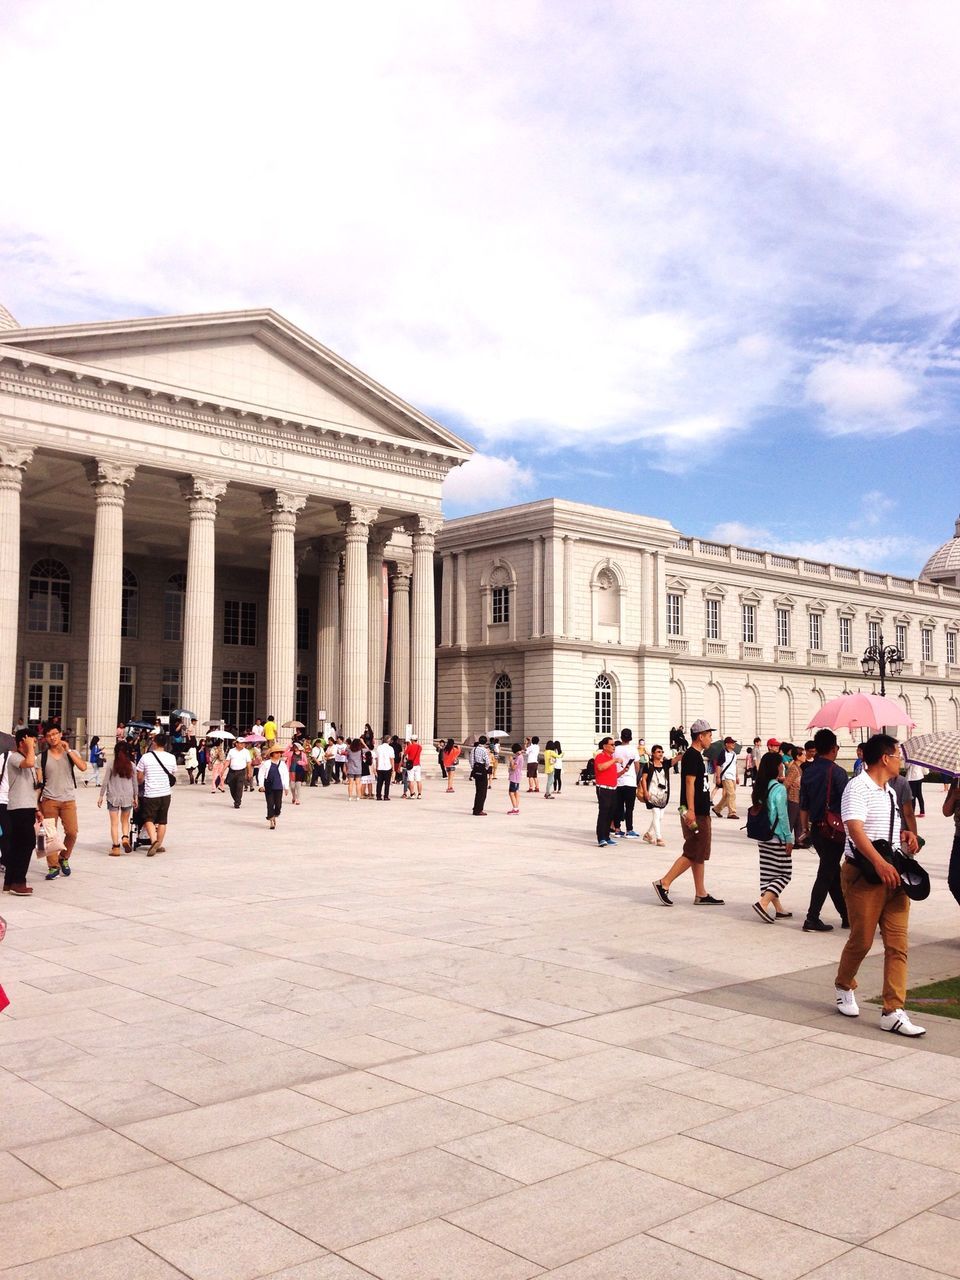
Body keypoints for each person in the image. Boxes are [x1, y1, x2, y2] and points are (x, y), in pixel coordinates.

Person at [835, 733, 925, 1036]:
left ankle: (893, 1010)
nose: (900, 759)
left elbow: (885, 828)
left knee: (898, 944)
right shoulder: (857, 787)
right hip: (865, 874)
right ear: (885, 758)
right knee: (861, 940)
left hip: (892, 873)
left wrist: (905, 836)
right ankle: (844, 984)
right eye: (897, 754)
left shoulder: (889, 791)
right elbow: (856, 831)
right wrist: (879, 862)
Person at [652, 719, 724, 907]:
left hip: (700, 810)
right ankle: (664, 883)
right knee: (693, 851)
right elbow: (690, 783)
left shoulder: (696, 755)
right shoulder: (692, 756)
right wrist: (691, 810)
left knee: (698, 852)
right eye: (709, 735)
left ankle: (700, 893)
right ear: (700, 736)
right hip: (696, 812)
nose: (711, 738)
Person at [798, 728, 849, 932]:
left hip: (817, 830)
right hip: (834, 831)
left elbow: (804, 805)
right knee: (826, 873)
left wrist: (805, 828)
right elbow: (848, 803)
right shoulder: (837, 772)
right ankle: (812, 917)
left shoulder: (808, 771)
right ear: (833, 748)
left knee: (832, 871)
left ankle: (846, 915)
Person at [38, 720, 87, 881]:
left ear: (60, 734)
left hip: (68, 800)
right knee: (49, 835)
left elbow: (83, 767)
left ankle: (64, 857)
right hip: (49, 799)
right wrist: (36, 804)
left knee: (72, 832)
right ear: (45, 738)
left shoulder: (70, 754)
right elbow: (38, 782)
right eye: (48, 735)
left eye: (54, 734)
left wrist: (69, 750)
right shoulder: (42, 758)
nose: (52, 738)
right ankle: (53, 867)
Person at [750, 751, 794, 923]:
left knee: (769, 874)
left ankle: (779, 909)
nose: (783, 766)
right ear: (776, 767)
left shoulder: (760, 786)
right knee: (784, 874)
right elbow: (783, 817)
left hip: (763, 837)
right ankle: (763, 903)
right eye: (781, 763)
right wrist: (789, 839)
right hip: (777, 838)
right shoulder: (779, 789)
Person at [3, 727, 39, 895]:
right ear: (21, 742)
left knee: (17, 845)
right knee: (27, 843)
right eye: (32, 741)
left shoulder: (27, 757)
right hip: (19, 808)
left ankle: (10, 881)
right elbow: (30, 763)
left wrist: (36, 808)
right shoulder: (15, 757)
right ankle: (19, 881)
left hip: (27, 806)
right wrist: (29, 747)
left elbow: (32, 785)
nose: (34, 744)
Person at [137, 731, 177, 857]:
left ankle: (154, 841)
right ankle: (158, 843)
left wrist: (142, 781)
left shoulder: (146, 757)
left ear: (154, 743)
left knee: (148, 818)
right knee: (162, 820)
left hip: (151, 792)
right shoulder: (171, 757)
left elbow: (139, 777)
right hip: (165, 793)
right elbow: (173, 773)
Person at [98, 741, 138, 854]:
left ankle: (115, 847)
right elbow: (135, 783)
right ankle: (125, 837)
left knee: (114, 823)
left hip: (113, 796)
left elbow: (105, 781)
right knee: (125, 821)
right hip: (128, 796)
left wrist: (101, 796)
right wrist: (136, 797)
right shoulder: (132, 765)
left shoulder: (111, 764)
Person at [594, 736, 631, 846]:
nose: (614, 746)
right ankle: (601, 838)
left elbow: (613, 775)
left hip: (613, 789)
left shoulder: (611, 758)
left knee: (611, 814)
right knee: (603, 813)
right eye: (612, 744)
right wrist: (614, 760)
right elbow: (600, 767)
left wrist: (623, 771)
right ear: (605, 746)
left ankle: (607, 836)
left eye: (614, 744)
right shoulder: (600, 756)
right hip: (603, 788)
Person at [639, 744, 671, 846]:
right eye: (658, 752)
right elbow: (643, 779)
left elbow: (674, 760)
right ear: (653, 753)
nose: (660, 754)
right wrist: (645, 791)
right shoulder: (648, 765)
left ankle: (648, 833)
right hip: (652, 793)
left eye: (662, 752)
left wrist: (682, 755)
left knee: (660, 816)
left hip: (662, 794)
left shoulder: (665, 764)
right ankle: (659, 838)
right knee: (656, 814)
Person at [612, 728, 640, 838]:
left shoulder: (616, 749)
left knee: (618, 806)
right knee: (629, 807)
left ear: (621, 737)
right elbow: (637, 765)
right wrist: (636, 776)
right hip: (630, 781)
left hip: (618, 781)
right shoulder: (633, 749)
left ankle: (617, 828)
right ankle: (629, 829)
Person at [258, 742, 289, 829]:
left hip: (278, 786)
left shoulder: (282, 764)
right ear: (272, 754)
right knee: (270, 803)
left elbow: (285, 775)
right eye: (276, 752)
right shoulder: (266, 763)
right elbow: (261, 774)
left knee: (278, 805)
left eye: (280, 753)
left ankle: (275, 814)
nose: (278, 754)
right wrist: (261, 785)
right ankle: (271, 819)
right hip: (268, 786)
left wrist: (286, 787)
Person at [712, 736, 739, 820]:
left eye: (734, 742)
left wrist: (737, 776)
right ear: (727, 744)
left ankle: (717, 809)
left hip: (732, 776)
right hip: (726, 776)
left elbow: (735, 765)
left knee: (728, 795)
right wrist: (718, 777)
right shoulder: (723, 753)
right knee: (731, 794)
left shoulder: (734, 754)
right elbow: (719, 765)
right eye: (732, 743)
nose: (733, 744)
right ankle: (732, 813)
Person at [943, 778, 960, 908]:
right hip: (959, 839)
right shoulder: (956, 782)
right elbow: (946, 812)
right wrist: (954, 797)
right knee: (954, 882)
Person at [470, 735, 490, 815]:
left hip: (476, 769)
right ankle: (479, 810)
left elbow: (471, 760)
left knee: (478, 791)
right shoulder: (484, 750)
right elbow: (487, 762)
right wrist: (485, 768)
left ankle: (475, 808)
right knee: (483, 792)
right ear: (485, 742)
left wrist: (474, 768)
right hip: (482, 770)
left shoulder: (474, 749)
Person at [225, 740, 249, 808]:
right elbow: (228, 761)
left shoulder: (246, 751)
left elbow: (248, 762)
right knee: (232, 786)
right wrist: (223, 770)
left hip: (241, 771)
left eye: (243, 743)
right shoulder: (231, 751)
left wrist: (249, 773)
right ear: (236, 744)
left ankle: (237, 802)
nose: (242, 744)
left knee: (239, 787)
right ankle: (236, 799)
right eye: (241, 743)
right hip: (232, 771)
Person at [374, 735, 395, 800]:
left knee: (379, 782)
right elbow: (391, 759)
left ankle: (378, 796)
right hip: (387, 767)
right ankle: (386, 796)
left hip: (380, 767)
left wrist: (377, 766)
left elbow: (376, 758)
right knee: (387, 783)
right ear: (389, 741)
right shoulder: (390, 748)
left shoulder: (379, 747)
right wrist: (393, 768)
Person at [404, 734, 424, 798]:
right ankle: (419, 794)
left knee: (411, 780)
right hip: (418, 764)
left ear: (412, 740)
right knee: (418, 780)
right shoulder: (420, 747)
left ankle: (412, 794)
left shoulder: (410, 746)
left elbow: (405, 754)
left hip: (411, 765)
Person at [507, 742, 523, 813]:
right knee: (516, 792)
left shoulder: (518, 757)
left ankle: (515, 808)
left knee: (511, 793)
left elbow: (514, 767)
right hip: (518, 775)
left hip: (514, 776)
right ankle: (516, 807)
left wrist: (511, 761)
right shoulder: (520, 756)